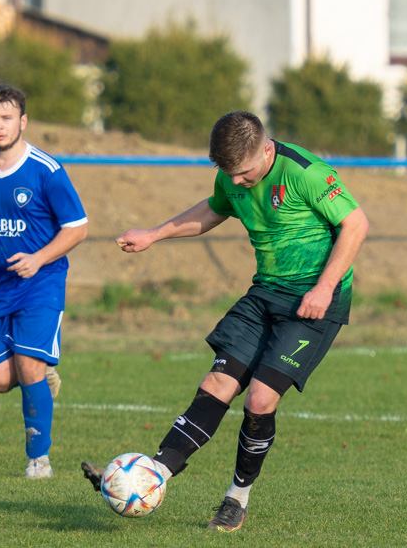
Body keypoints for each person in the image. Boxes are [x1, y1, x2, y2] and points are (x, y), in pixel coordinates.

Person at [82, 110, 369, 531]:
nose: (236, 182)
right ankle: (153, 475)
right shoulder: (233, 176)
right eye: (228, 172)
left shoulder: (306, 173)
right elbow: (214, 209)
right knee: (215, 384)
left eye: (244, 173)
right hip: (265, 292)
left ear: (267, 150)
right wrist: (154, 234)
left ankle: (237, 497)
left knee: (259, 400)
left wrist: (324, 288)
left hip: (314, 301)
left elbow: (355, 224)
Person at [0, 84, 88, 479]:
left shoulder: (46, 171)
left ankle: (38, 459)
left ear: (22, 121)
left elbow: (77, 228)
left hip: (40, 282)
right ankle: (41, 375)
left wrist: (39, 259)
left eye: (6, 117)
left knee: (27, 362)